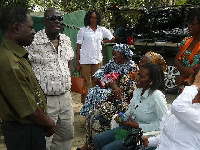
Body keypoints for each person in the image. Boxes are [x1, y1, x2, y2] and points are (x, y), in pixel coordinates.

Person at [0, 7, 55, 150]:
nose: (34, 32)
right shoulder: (11, 63)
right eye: (31, 27)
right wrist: (49, 123)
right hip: (24, 131)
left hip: (29, 128)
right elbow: (30, 110)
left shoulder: (16, 54)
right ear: (16, 28)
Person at [26, 7, 74, 150]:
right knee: (45, 136)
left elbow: (69, 59)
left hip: (65, 98)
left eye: (59, 18)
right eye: (52, 18)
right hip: (46, 100)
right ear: (44, 21)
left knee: (66, 134)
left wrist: (65, 77)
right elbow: (24, 64)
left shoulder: (65, 40)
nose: (57, 21)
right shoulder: (33, 41)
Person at [93, 63, 168, 150]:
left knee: (108, 149)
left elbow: (164, 124)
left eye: (142, 76)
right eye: (138, 74)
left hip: (146, 136)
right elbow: (131, 110)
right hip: (131, 129)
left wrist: (138, 125)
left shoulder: (157, 96)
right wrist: (122, 117)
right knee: (98, 139)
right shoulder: (138, 91)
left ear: (151, 80)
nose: (137, 78)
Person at [142, 71, 200, 150]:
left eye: (186, 85)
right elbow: (168, 136)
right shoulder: (185, 106)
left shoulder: (182, 107)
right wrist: (149, 141)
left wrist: (195, 85)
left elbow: (178, 106)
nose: (183, 88)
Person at [76, 11, 115, 104]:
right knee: (85, 83)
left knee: (97, 82)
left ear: (98, 19)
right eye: (91, 18)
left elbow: (112, 38)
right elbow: (78, 47)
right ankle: (84, 104)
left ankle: (95, 103)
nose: (93, 20)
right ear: (88, 18)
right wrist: (77, 63)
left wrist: (103, 42)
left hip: (97, 60)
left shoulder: (101, 30)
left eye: (95, 18)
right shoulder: (83, 30)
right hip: (85, 60)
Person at [175, 8, 200, 86]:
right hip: (184, 84)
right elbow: (177, 60)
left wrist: (184, 75)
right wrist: (186, 71)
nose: (189, 26)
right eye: (189, 24)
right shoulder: (186, 41)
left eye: (193, 24)